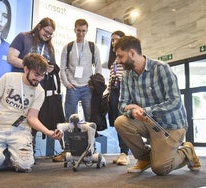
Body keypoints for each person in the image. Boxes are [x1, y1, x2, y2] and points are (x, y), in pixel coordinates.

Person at [114, 36, 201, 176]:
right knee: (121, 122)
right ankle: (144, 158)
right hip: (147, 123)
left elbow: (175, 102)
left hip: (171, 125)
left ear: (132, 53)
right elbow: (122, 105)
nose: (118, 61)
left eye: (120, 56)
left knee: (160, 168)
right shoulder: (126, 76)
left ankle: (186, 151)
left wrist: (145, 111)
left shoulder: (161, 68)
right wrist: (133, 112)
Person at [0, 53, 63, 173]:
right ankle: (6, 155)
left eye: (42, 75)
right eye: (36, 74)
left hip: (20, 131)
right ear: (26, 69)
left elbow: (32, 118)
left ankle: (8, 155)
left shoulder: (39, 91)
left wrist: (49, 132)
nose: (39, 79)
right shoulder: (8, 78)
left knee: (24, 166)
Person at [7, 17, 64, 157]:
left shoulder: (49, 47)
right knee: (14, 116)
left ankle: (28, 149)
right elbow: (11, 58)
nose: (48, 36)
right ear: (39, 27)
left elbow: (52, 66)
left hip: (38, 89)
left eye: (51, 34)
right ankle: (9, 149)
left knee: (32, 118)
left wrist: (49, 69)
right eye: (46, 31)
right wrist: (33, 67)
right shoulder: (23, 37)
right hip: (20, 85)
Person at [54, 18, 102, 162]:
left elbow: (98, 67)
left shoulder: (93, 47)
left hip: (87, 88)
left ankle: (90, 148)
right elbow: (62, 68)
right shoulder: (68, 47)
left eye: (83, 31)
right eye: (78, 30)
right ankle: (67, 149)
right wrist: (67, 83)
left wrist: (94, 84)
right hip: (72, 88)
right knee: (69, 120)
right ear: (74, 30)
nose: (81, 33)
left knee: (90, 119)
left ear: (87, 31)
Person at [107, 31, 130, 166]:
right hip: (114, 92)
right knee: (117, 123)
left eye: (116, 39)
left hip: (123, 90)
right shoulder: (113, 58)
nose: (113, 42)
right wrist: (109, 93)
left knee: (123, 121)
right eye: (112, 40)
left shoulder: (126, 56)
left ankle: (125, 153)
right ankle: (123, 152)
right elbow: (111, 77)